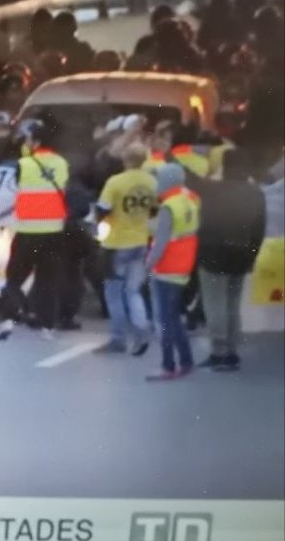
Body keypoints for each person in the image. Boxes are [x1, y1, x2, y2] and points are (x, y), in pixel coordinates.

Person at [189, 149, 265, 371]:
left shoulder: (212, 190)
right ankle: (232, 350)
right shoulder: (255, 193)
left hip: (212, 254)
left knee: (215, 304)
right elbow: (258, 230)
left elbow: (188, 177)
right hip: (241, 254)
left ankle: (219, 352)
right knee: (232, 303)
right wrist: (252, 256)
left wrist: (164, 152)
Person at [0, 120, 69, 341]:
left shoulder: (24, 164)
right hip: (54, 231)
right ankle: (47, 326)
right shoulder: (62, 163)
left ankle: (9, 319)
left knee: (14, 279)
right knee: (47, 281)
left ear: (35, 141)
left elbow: (12, 188)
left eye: (27, 140)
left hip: (27, 232)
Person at [93, 142, 157, 355]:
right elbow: (155, 210)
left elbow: (102, 209)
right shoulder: (152, 181)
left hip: (117, 243)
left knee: (113, 292)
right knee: (133, 291)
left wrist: (100, 223)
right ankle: (142, 332)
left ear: (125, 160)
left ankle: (118, 339)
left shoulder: (116, 182)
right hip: (141, 241)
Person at [144, 163, 200, 381]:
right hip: (183, 265)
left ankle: (168, 366)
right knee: (174, 318)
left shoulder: (169, 206)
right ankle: (186, 361)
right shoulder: (190, 200)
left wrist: (147, 265)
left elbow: (160, 243)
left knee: (166, 321)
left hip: (166, 267)